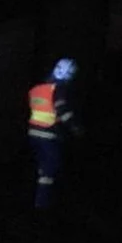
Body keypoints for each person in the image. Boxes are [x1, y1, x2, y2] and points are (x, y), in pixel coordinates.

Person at [27, 57, 82, 210]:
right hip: (49, 135)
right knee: (51, 169)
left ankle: (37, 199)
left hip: (33, 134)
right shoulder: (59, 90)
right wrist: (76, 128)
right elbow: (62, 111)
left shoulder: (37, 89)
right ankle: (42, 205)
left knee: (42, 168)